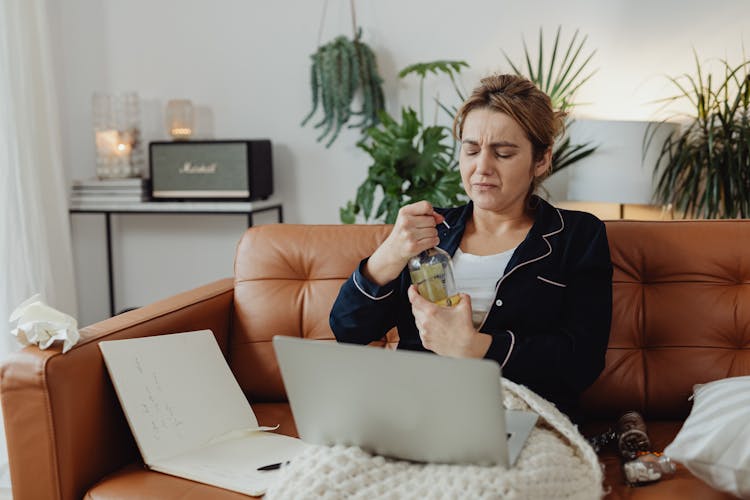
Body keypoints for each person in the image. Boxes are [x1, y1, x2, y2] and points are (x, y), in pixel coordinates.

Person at [329, 73, 613, 421]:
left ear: (541, 160)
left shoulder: (577, 236)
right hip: (416, 412)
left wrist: (476, 348)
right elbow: (347, 328)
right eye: (471, 149)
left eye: (503, 153)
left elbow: (582, 361)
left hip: (522, 417)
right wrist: (389, 254)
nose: (481, 168)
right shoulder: (428, 231)